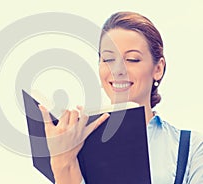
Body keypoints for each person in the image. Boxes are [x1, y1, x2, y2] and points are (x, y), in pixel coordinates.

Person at [38, 11, 203, 184]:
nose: (117, 70)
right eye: (108, 59)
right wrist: (62, 163)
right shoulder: (75, 146)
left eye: (132, 59)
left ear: (158, 69)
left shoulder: (192, 147)